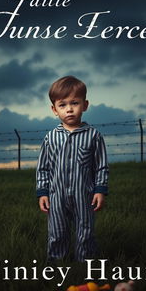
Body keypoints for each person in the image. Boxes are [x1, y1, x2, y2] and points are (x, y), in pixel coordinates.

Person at [36, 76, 109, 262]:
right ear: (54, 109)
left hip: (84, 195)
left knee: (85, 232)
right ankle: (56, 266)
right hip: (56, 196)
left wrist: (100, 190)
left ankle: (86, 266)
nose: (69, 109)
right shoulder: (50, 138)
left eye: (74, 103)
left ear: (85, 105)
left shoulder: (94, 136)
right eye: (62, 105)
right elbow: (43, 168)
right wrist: (43, 192)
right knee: (57, 233)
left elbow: (101, 166)